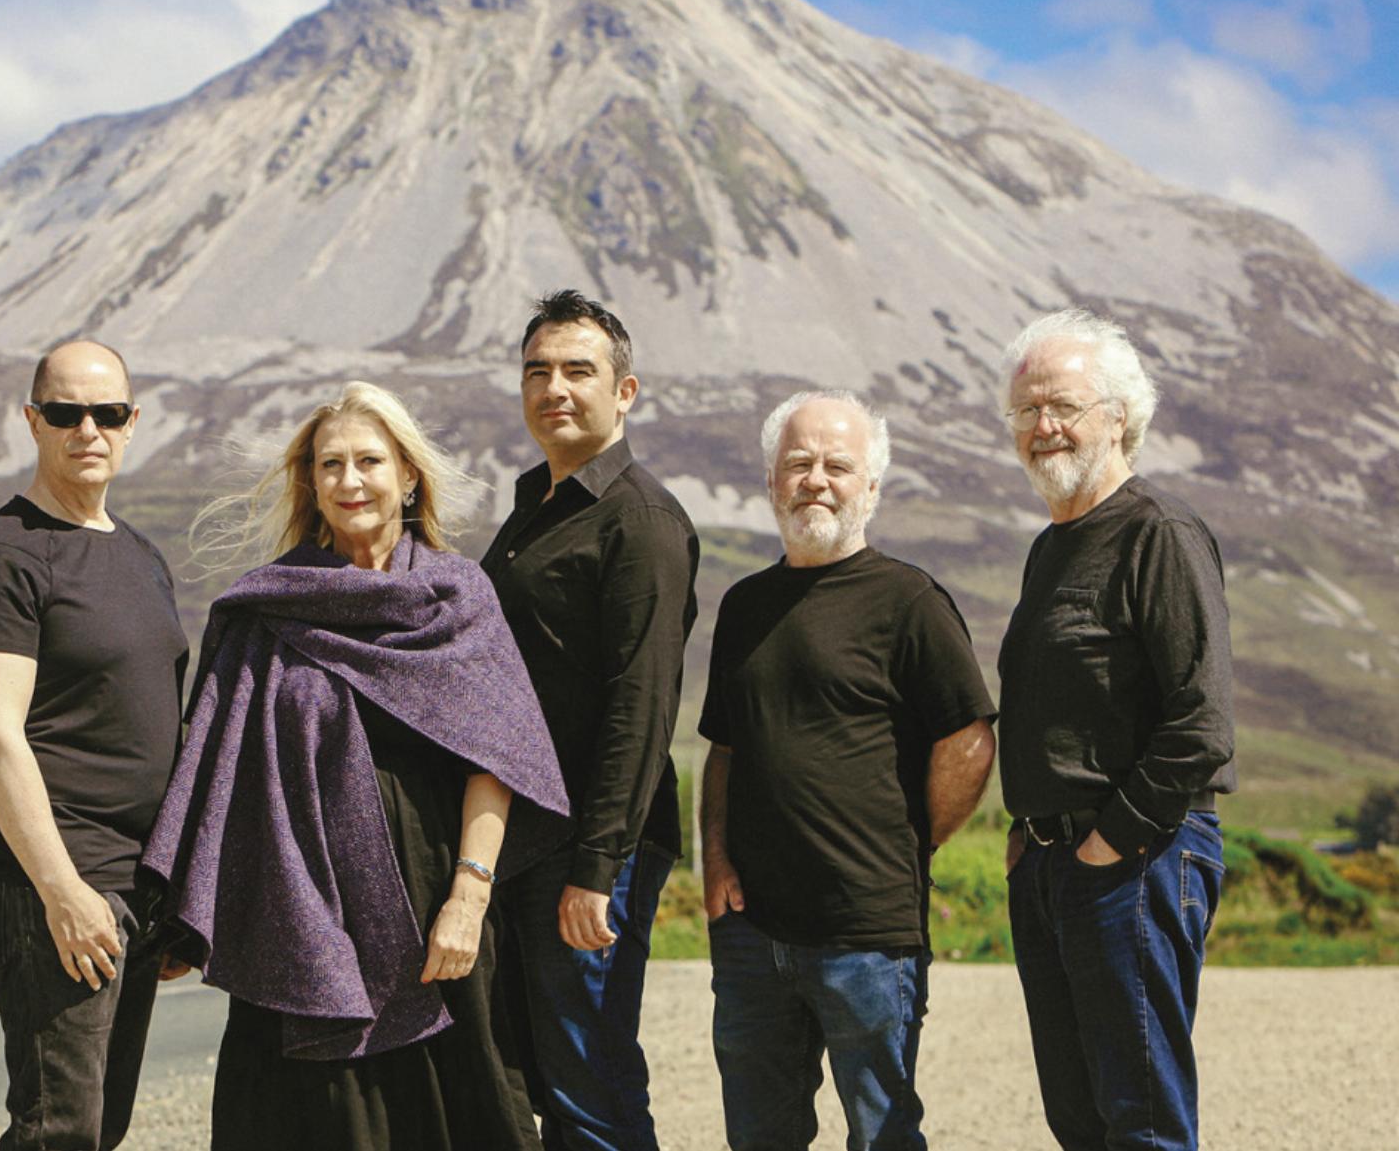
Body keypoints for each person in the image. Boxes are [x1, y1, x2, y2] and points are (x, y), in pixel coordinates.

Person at [142, 380, 569, 1151]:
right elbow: (216, 765)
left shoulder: (457, 596)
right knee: (314, 1119)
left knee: (462, 1111)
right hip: (299, 904)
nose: (349, 480)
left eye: (368, 459)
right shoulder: (271, 605)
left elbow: (497, 758)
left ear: (408, 474)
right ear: (310, 482)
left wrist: (468, 898)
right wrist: (184, 903)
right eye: (329, 463)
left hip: (432, 895)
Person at [698, 390, 995, 1151]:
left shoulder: (910, 601)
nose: (815, 479)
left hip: (868, 932)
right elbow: (723, 749)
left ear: (871, 487)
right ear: (771, 482)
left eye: (838, 465)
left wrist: (909, 844)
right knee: (760, 1135)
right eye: (797, 464)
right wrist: (718, 860)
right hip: (752, 931)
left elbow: (968, 739)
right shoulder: (743, 605)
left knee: (883, 1133)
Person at [997, 309, 1235, 1151]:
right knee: (1081, 1119)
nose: (1043, 427)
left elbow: (1202, 722)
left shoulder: (1158, 535)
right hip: (1055, 866)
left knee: (1140, 1121)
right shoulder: (1050, 546)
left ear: (1120, 415)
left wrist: (1107, 843)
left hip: (1137, 859)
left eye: (1062, 405)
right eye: (1025, 411)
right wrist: (1033, 848)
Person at [0, 339, 189, 1151]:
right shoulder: (3, 555)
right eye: (66, 412)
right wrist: (61, 889)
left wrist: (175, 890)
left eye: (107, 412)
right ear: (32, 421)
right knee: (60, 1127)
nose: (88, 428)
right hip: (51, 878)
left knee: (101, 1124)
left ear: (131, 423)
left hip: (135, 885)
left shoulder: (141, 555)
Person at [481, 289, 699, 1151]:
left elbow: (640, 704)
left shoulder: (638, 520)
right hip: (525, 837)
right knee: (537, 1076)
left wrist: (597, 868)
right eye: (538, 370)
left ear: (626, 391)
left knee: (589, 1085)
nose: (554, 388)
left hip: (589, 845)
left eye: (579, 370)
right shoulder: (538, 506)